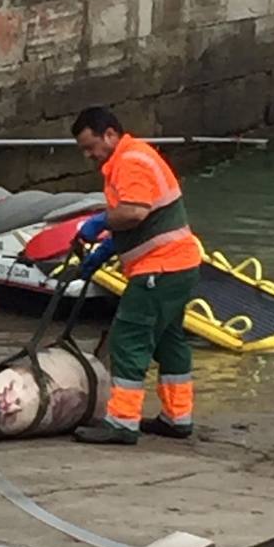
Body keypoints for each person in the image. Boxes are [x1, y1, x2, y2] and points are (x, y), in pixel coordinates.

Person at [70, 107, 201, 446]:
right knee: (170, 341)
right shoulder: (133, 158)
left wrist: (98, 222)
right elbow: (145, 219)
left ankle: (122, 422)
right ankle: (177, 417)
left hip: (159, 268)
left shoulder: (131, 161)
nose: (89, 156)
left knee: (128, 338)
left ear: (110, 135)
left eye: (90, 147)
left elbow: (134, 211)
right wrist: (105, 251)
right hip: (178, 266)